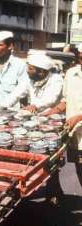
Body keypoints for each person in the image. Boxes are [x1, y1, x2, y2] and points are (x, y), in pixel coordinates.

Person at [43, 44, 82, 189]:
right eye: (81, 57)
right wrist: (53, 111)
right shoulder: (71, 74)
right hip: (74, 135)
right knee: (79, 169)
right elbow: (65, 100)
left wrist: (78, 117)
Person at [0, 31, 29, 108]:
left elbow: (23, 89)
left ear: (10, 46)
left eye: (0, 45)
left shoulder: (20, 65)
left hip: (12, 111)